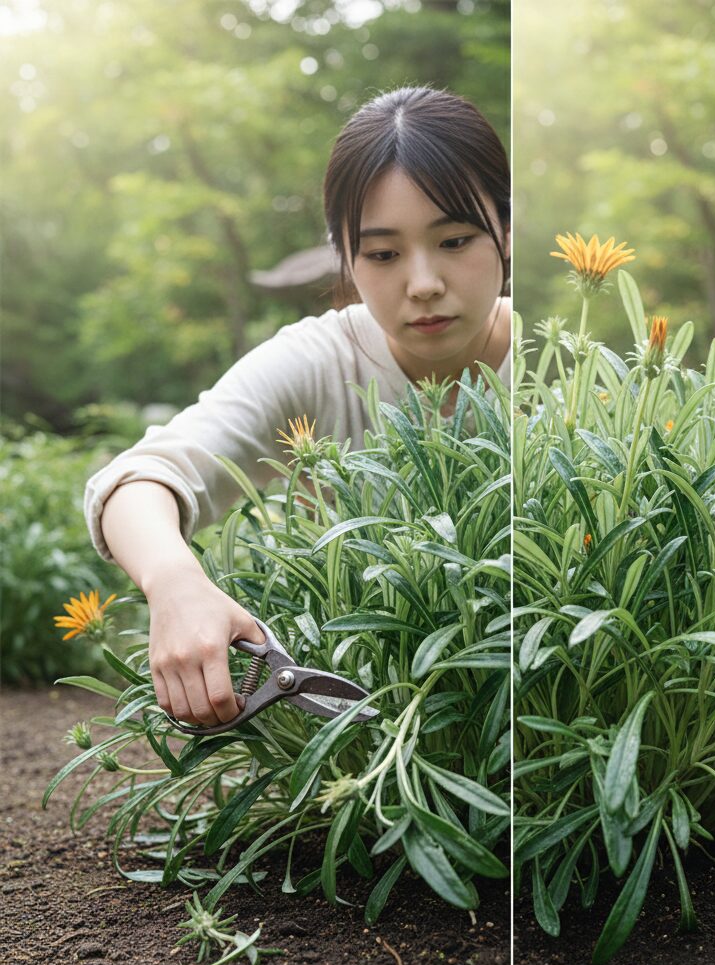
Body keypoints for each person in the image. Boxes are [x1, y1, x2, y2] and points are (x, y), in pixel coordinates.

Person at [84, 86, 511, 728]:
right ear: (346, 254)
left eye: (455, 240)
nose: (423, 283)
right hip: (358, 740)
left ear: (506, 228)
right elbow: (139, 480)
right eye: (384, 253)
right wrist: (174, 581)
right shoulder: (320, 361)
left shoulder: (569, 359)